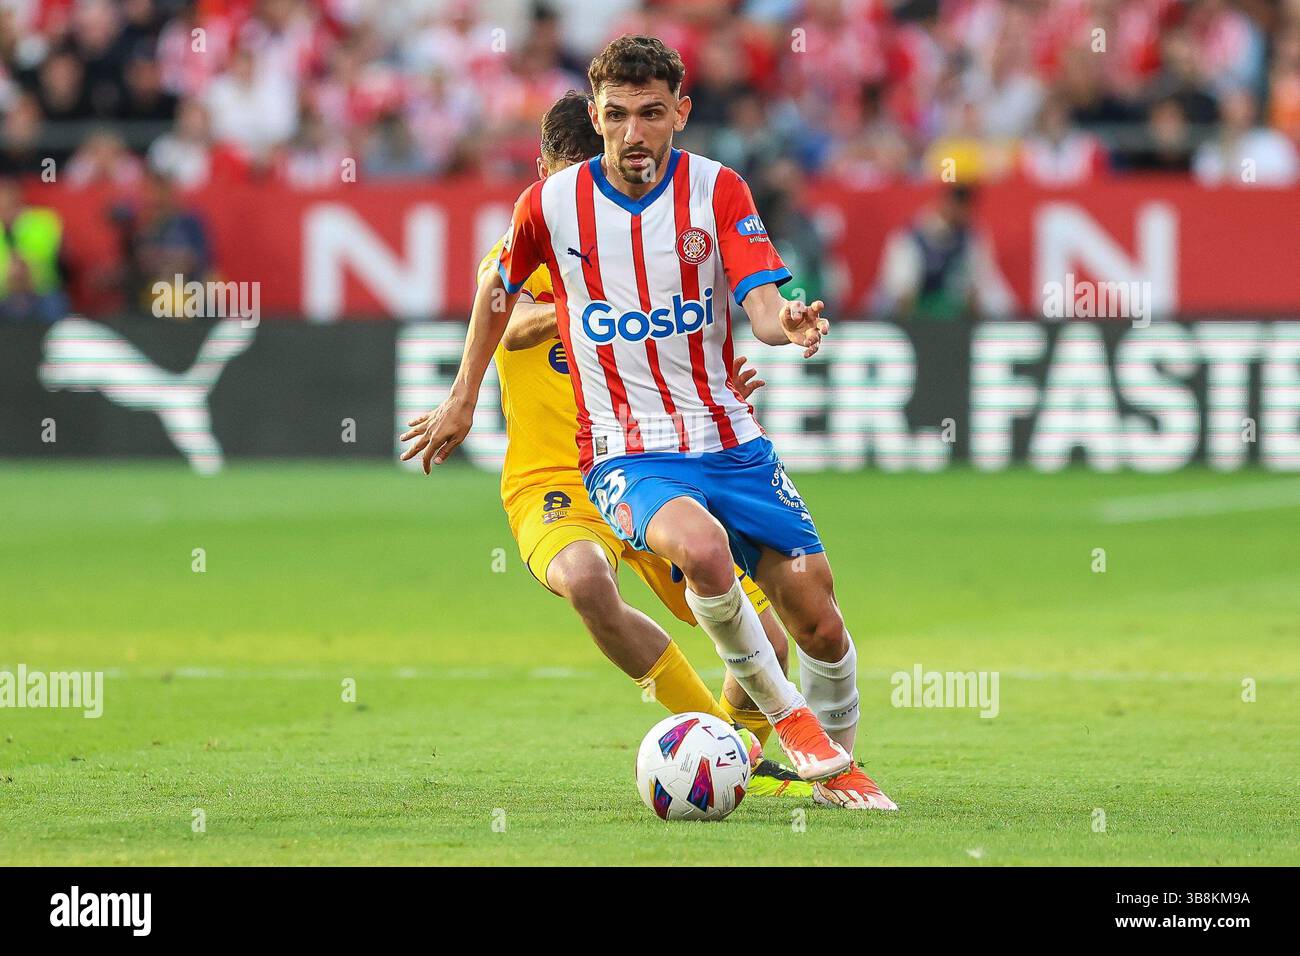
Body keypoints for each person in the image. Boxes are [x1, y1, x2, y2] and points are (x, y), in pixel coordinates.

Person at [403, 36, 894, 810]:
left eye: (649, 117)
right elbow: (518, 319)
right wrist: (471, 390)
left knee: (788, 632)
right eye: (614, 124)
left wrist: (711, 359)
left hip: (683, 447)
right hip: (564, 476)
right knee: (588, 579)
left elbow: (733, 308)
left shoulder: (700, 200)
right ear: (559, 166)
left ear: (675, 118)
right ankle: (713, 739)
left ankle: (757, 753)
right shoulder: (535, 238)